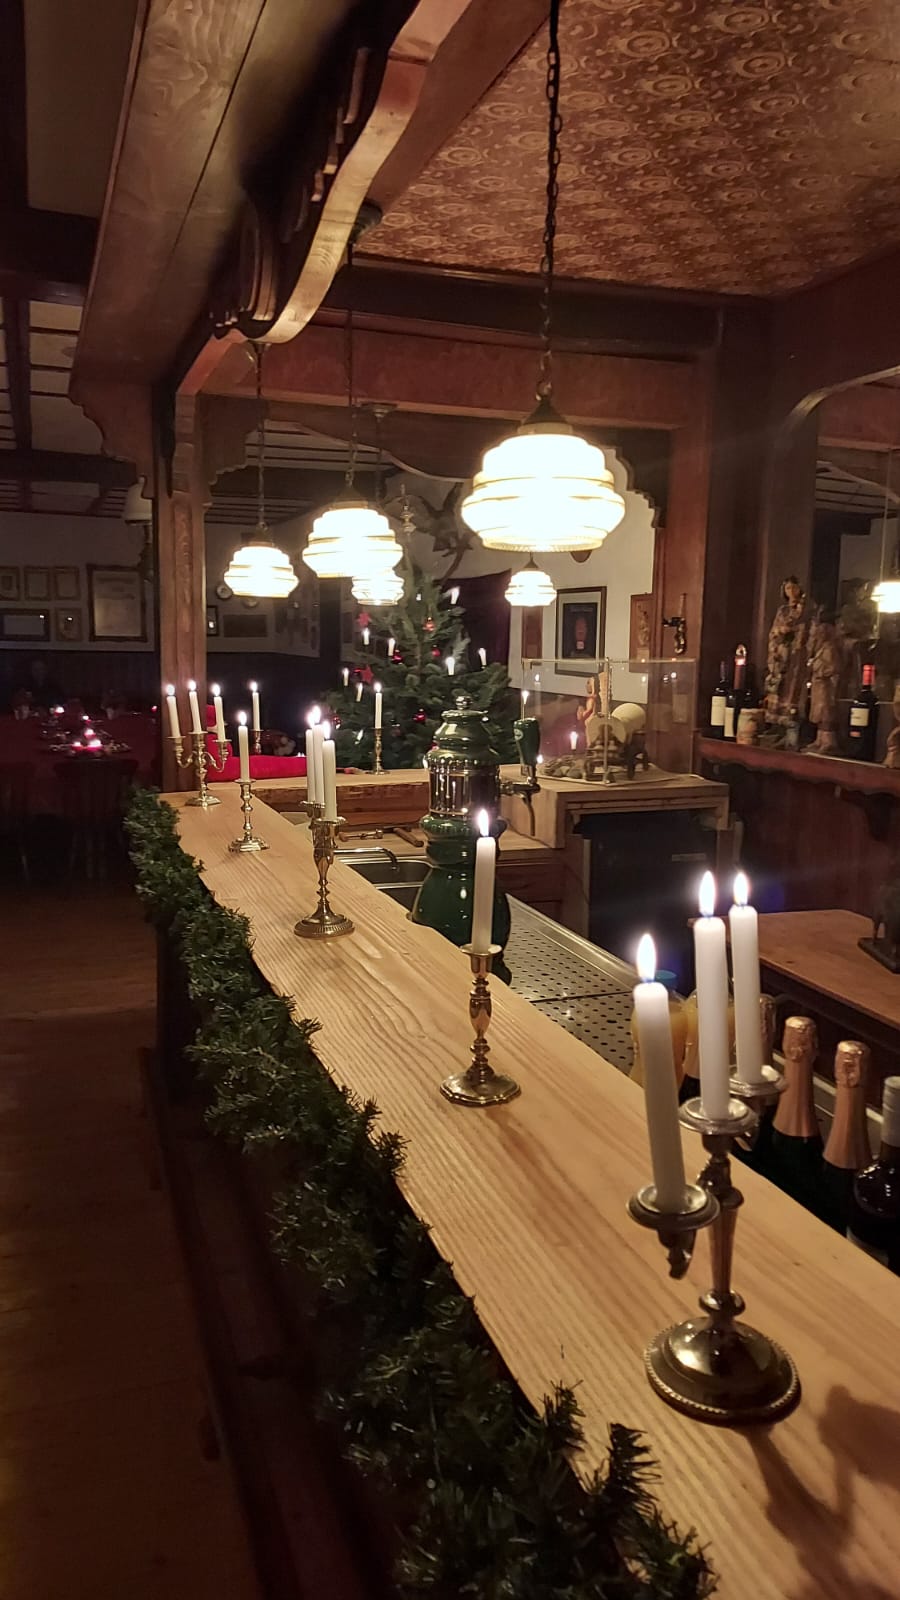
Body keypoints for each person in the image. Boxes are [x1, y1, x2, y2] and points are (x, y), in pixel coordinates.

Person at [764, 576, 809, 732]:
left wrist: (794, 632)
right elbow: (774, 631)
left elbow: (806, 630)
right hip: (782, 653)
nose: (791, 591)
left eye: (794, 588)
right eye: (788, 588)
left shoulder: (804, 610)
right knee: (778, 685)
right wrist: (780, 632)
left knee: (793, 687)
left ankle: (790, 722)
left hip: (796, 654)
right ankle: (775, 723)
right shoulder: (782, 610)